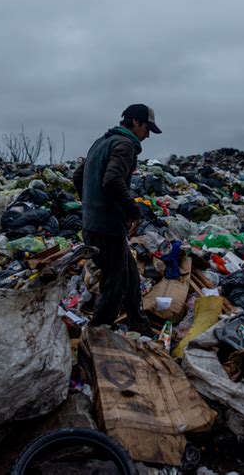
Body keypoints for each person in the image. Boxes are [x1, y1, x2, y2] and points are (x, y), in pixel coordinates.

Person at [73, 104, 162, 335]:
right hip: (108, 228)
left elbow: (78, 175)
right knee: (114, 286)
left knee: (130, 276)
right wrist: (132, 210)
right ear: (135, 122)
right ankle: (96, 335)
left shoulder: (102, 142)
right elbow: (112, 179)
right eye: (147, 127)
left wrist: (90, 205)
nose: (148, 134)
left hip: (93, 225)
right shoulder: (125, 144)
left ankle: (139, 327)